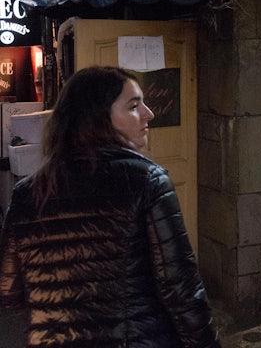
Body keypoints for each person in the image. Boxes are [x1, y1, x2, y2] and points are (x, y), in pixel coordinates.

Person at [0, 65, 221, 347]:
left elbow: (9, 291)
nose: (149, 114)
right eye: (133, 105)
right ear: (97, 117)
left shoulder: (26, 194)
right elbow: (182, 292)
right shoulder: (147, 180)